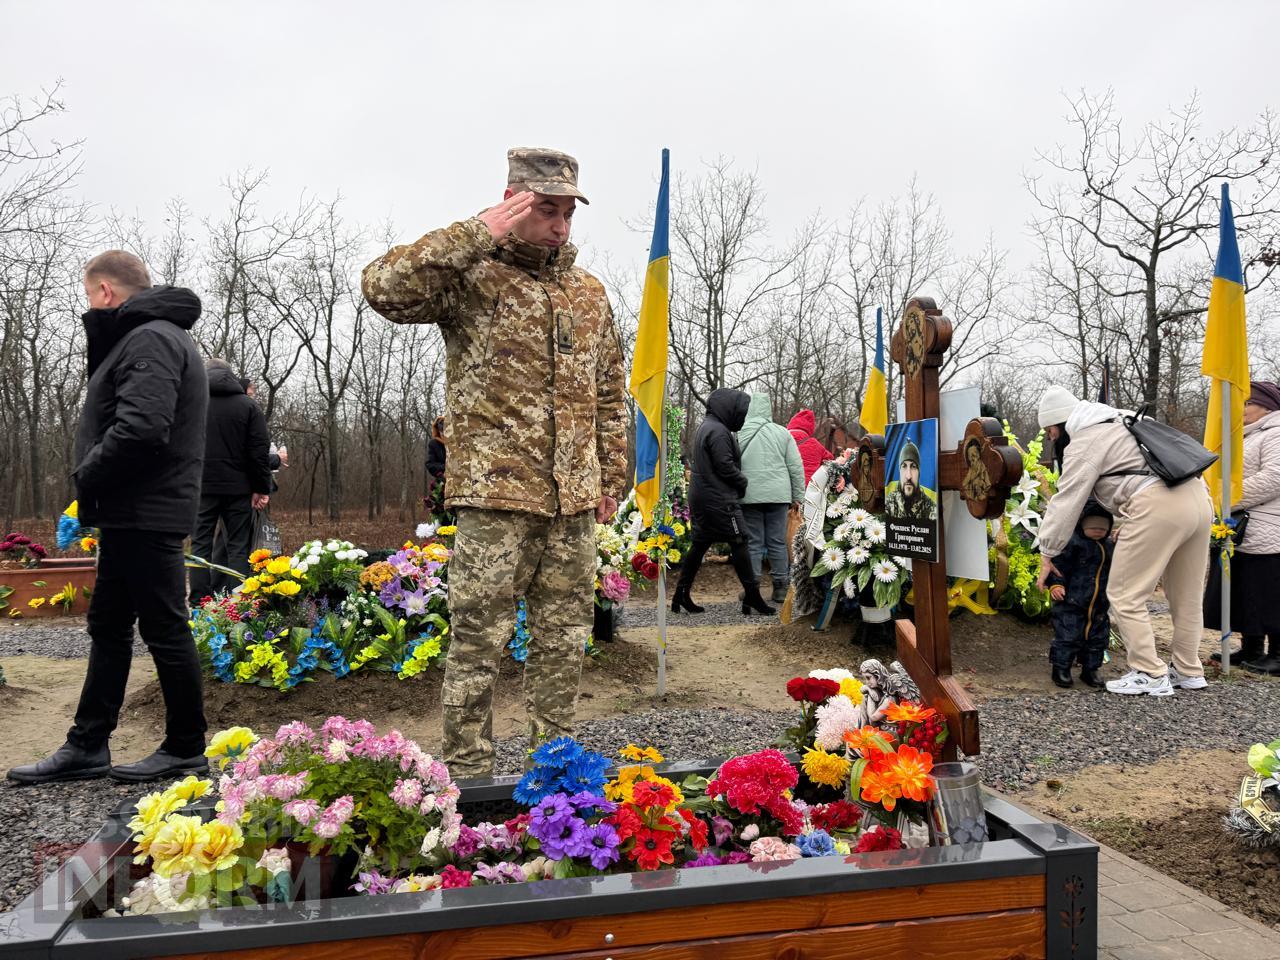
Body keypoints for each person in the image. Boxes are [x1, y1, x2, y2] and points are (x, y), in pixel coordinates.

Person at [361, 147, 627, 780]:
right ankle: (468, 776)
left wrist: (610, 478)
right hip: (494, 497)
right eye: (546, 210)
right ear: (513, 202)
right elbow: (382, 286)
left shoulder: (588, 293)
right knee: (477, 642)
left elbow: (610, 392)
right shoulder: (472, 277)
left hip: (571, 502)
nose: (560, 226)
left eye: (568, 213)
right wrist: (478, 232)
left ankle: (555, 771)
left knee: (563, 643)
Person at [8, 251, 209, 785]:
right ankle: (88, 744)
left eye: (87, 296)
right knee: (109, 627)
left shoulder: (151, 338)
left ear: (103, 292)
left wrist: (87, 475)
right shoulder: (148, 336)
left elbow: (142, 429)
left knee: (164, 628)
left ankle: (187, 746)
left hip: (147, 510)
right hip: (131, 511)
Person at [1034, 386, 1212, 697]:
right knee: (1186, 596)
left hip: (1158, 504)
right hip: (1198, 498)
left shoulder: (1086, 439)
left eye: (1050, 430)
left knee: (1124, 592)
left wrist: (1048, 551)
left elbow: (1067, 500)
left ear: (1061, 424)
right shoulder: (1124, 420)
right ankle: (1188, 670)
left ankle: (1149, 671)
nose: (1050, 438)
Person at [671, 388, 775, 616]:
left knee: (699, 544)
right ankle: (754, 597)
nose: (742, 417)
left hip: (703, 496)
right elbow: (725, 466)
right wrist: (742, 482)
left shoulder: (706, 426)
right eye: (741, 412)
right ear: (730, 410)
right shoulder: (718, 431)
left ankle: (681, 594)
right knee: (739, 541)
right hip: (719, 500)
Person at [1204, 380, 1280, 675]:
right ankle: (1251, 647)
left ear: (1268, 406)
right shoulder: (1247, 435)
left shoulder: (1275, 434)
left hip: (1268, 526)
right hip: (1242, 525)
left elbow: (1274, 477)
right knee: (1246, 589)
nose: (1243, 408)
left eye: (1249, 403)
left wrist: (1227, 500)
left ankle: (1277, 652)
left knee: (1269, 592)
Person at [188, 359, 272, 605]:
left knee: (200, 545)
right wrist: (261, 488)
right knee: (237, 546)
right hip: (238, 488)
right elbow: (258, 451)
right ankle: (236, 603)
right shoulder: (248, 406)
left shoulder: (191, 405)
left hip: (201, 487)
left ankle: (198, 603)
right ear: (231, 376)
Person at [738, 393, 805, 603]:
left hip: (748, 495)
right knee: (777, 540)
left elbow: (729, 464)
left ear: (749, 409)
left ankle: (752, 588)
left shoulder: (739, 433)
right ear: (768, 409)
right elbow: (795, 467)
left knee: (753, 542)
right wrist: (797, 496)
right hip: (778, 496)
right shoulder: (782, 433)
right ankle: (780, 589)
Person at [1044, 500, 1114, 689]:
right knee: (1068, 636)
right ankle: (1061, 668)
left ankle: (1090, 669)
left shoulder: (1109, 546)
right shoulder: (1073, 543)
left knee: (1097, 639)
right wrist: (1055, 585)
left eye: (1103, 528)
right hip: (1072, 602)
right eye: (1093, 527)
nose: (1098, 531)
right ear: (1081, 525)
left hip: (1099, 605)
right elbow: (1058, 567)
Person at [884, 441, 938, 520]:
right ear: (899, 472)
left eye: (913, 467)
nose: (908, 476)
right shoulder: (888, 505)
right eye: (904, 466)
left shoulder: (931, 509)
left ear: (919, 473)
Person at [787, 409, 832, 485]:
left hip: (785, 488)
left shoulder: (781, 440)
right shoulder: (815, 444)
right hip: (809, 490)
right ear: (810, 428)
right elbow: (830, 459)